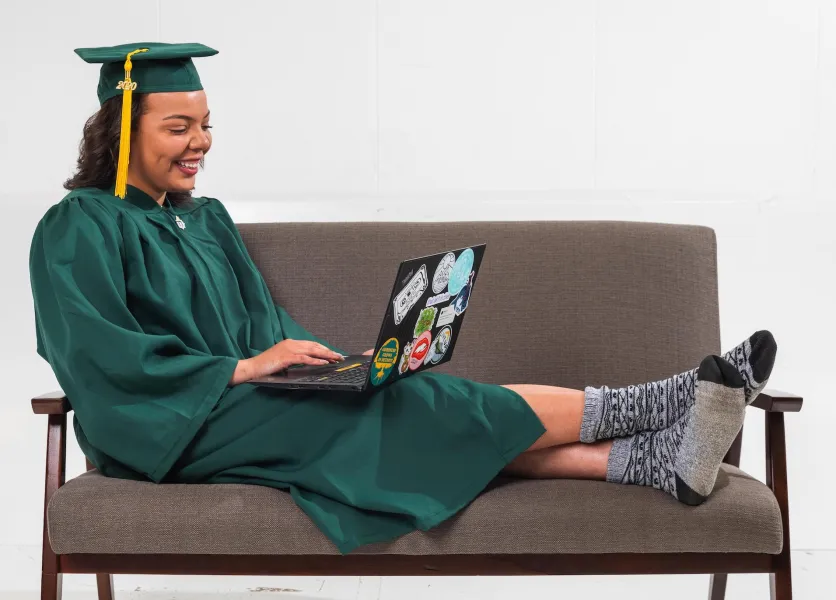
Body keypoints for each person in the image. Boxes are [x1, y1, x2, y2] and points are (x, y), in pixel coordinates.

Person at [29, 42, 778, 555]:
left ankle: (653, 462)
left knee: (401, 409)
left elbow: (261, 324)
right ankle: (669, 400)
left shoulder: (205, 219)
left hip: (249, 405)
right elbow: (96, 355)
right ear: (124, 128)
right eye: (179, 127)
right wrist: (243, 372)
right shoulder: (78, 225)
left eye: (206, 125)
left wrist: (314, 364)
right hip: (170, 429)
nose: (201, 142)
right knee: (416, 408)